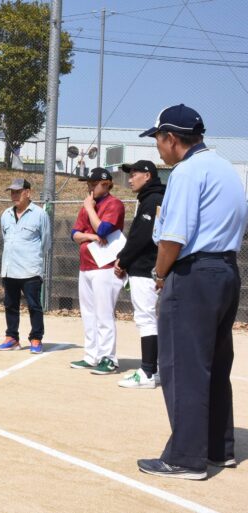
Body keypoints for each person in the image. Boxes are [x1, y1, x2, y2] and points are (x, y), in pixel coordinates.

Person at [136, 104, 247, 480]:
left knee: (182, 366)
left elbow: (174, 236)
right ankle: (219, 449)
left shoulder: (187, 171)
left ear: (171, 137)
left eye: (157, 140)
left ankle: (185, 458)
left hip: (194, 274)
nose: (157, 149)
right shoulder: (225, 167)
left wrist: (160, 272)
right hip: (227, 270)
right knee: (215, 365)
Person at [113, 160, 165, 389]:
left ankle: (146, 372)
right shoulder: (153, 198)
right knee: (155, 320)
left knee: (146, 320)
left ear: (148, 175)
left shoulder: (152, 199)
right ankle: (158, 369)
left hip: (146, 269)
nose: (130, 178)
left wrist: (122, 261)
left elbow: (142, 237)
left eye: (134, 173)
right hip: (153, 268)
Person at [69, 168, 125, 375]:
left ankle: (108, 358)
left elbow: (103, 229)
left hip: (106, 267)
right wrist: (90, 237)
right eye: (89, 184)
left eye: (95, 184)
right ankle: (91, 356)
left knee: (103, 314)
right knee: (88, 314)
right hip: (86, 266)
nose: (90, 187)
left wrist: (90, 210)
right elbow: (75, 234)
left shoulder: (114, 204)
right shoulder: (88, 206)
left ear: (107, 184)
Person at [0, 178, 50, 354]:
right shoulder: (6, 215)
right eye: (12, 192)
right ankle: (12, 338)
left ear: (28, 192)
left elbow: (46, 242)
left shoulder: (40, 214)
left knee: (34, 306)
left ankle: (36, 338)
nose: (14, 195)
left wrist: (32, 258)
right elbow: (6, 239)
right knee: (10, 305)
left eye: (18, 192)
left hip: (30, 270)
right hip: (10, 269)